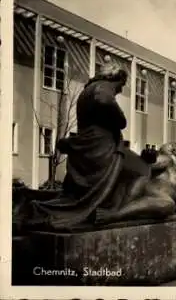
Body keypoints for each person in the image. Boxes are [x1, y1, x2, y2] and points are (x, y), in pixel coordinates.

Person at [22, 63, 155, 230]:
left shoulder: (88, 89)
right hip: (101, 148)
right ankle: (115, 212)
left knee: (134, 167)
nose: (120, 90)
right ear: (116, 78)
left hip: (90, 145)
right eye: (121, 85)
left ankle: (114, 207)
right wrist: (121, 119)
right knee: (142, 169)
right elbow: (103, 100)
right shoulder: (102, 87)